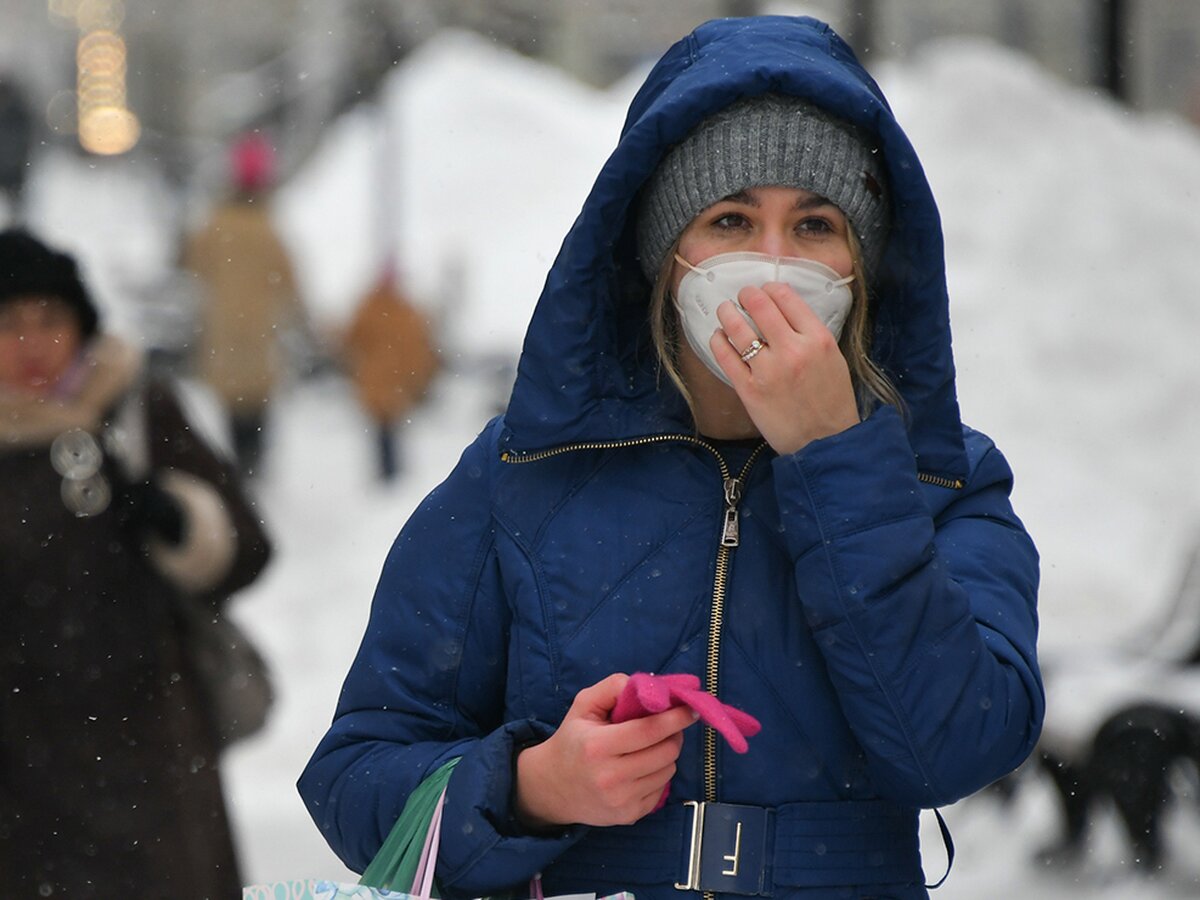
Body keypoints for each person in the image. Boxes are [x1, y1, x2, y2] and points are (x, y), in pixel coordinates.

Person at [298, 15, 1043, 900]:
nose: (772, 264)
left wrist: (836, 457)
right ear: (665, 255)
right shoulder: (523, 475)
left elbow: (957, 749)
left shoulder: (941, 481)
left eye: (815, 225)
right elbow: (356, 774)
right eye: (730, 219)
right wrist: (532, 787)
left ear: (862, 264)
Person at [0, 228, 272, 897]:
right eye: (8, 324)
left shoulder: (134, 411)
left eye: (49, 320)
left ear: (82, 326)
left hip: (153, 760)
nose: (32, 344)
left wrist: (180, 520)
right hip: (19, 778)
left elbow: (248, 550)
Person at [182, 131, 308, 478]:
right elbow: (291, 283)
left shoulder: (215, 224)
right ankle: (254, 469)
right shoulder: (268, 230)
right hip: (260, 339)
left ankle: (240, 470)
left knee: (233, 412)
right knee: (257, 411)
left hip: (224, 336)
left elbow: (193, 265)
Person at [341, 265, 440, 480]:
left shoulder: (380, 308)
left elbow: (350, 340)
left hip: (383, 382)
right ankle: (390, 478)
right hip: (387, 383)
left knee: (387, 432)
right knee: (386, 431)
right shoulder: (397, 310)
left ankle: (390, 478)